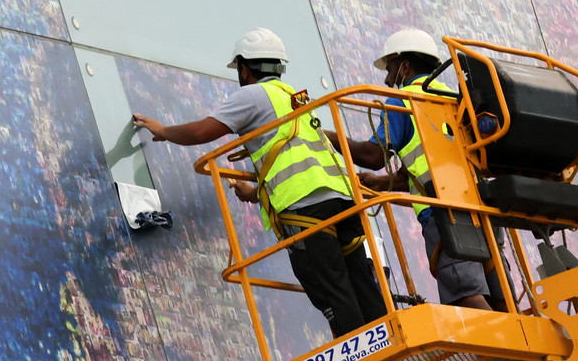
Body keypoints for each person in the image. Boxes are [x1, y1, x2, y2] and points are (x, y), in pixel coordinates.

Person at [133, 27, 387, 337]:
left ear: (244, 67)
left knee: (333, 290)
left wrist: (163, 131)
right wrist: (255, 192)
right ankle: (391, 351)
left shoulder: (251, 96)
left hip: (305, 209)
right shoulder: (293, 98)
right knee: (362, 281)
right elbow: (294, 161)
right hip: (342, 200)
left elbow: (202, 132)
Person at [328, 28, 505, 311]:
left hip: (446, 214)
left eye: (390, 68)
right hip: (483, 208)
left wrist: (329, 136)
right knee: (500, 297)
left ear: (405, 66)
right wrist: (383, 183)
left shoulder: (403, 100)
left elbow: (373, 155)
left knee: (465, 295)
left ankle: (505, 354)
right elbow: (437, 164)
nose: (387, 79)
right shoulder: (453, 98)